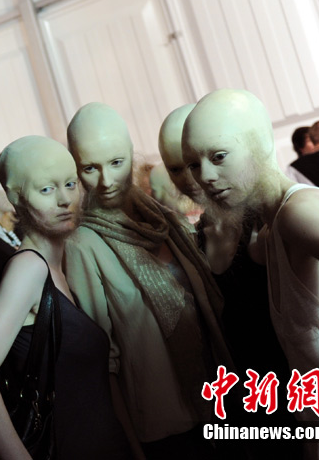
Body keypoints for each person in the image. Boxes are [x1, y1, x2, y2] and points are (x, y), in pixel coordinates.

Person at [182, 89, 319, 459]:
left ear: (260, 143)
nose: (205, 177)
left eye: (219, 156)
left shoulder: (296, 215)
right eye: (194, 164)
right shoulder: (269, 230)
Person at [63, 102, 232, 459]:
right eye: (90, 168)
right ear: (76, 169)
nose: (106, 180)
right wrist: (132, 448)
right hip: (165, 426)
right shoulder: (83, 245)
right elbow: (103, 359)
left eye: (116, 162)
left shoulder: (166, 222)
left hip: (219, 400)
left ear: (131, 153)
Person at [0, 136, 131, 459]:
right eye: (46, 189)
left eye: (70, 184)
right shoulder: (29, 269)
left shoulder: (59, 267)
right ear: (15, 197)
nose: (65, 199)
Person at [160, 104, 297, 459]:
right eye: (180, 167)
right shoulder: (196, 234)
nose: (195, 178)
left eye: (211, 159)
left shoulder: (266, 219)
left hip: (289, 392)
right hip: (240, 396)